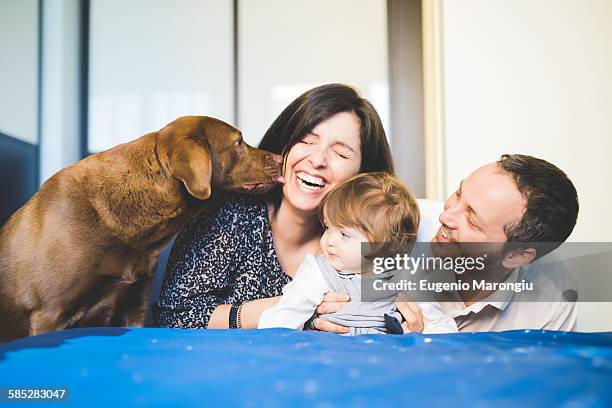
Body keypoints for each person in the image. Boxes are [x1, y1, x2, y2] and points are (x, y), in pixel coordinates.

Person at [156, 83, 394, 332]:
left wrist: (414, 312)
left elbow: (423, 294)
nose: (317, 160)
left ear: (363, 175)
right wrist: (298, 307)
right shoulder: (232, 212)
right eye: (306, 141)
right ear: (285, 147)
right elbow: (176, 315)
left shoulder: (375, 234)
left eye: (341, 154)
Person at [393, 154, 580, 332]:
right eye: (458, 194)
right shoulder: (396, 223)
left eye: (472, 221)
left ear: (516, 256)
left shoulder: (552, 301)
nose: (444, 216)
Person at [258, 172, 458, 335]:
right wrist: (272, 345)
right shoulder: (319, 270)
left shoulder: (404, 277)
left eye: (344, 234)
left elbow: (439, 323)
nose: (329, 240)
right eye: (328, 227)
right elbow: (288, 311)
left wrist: (428, 342)